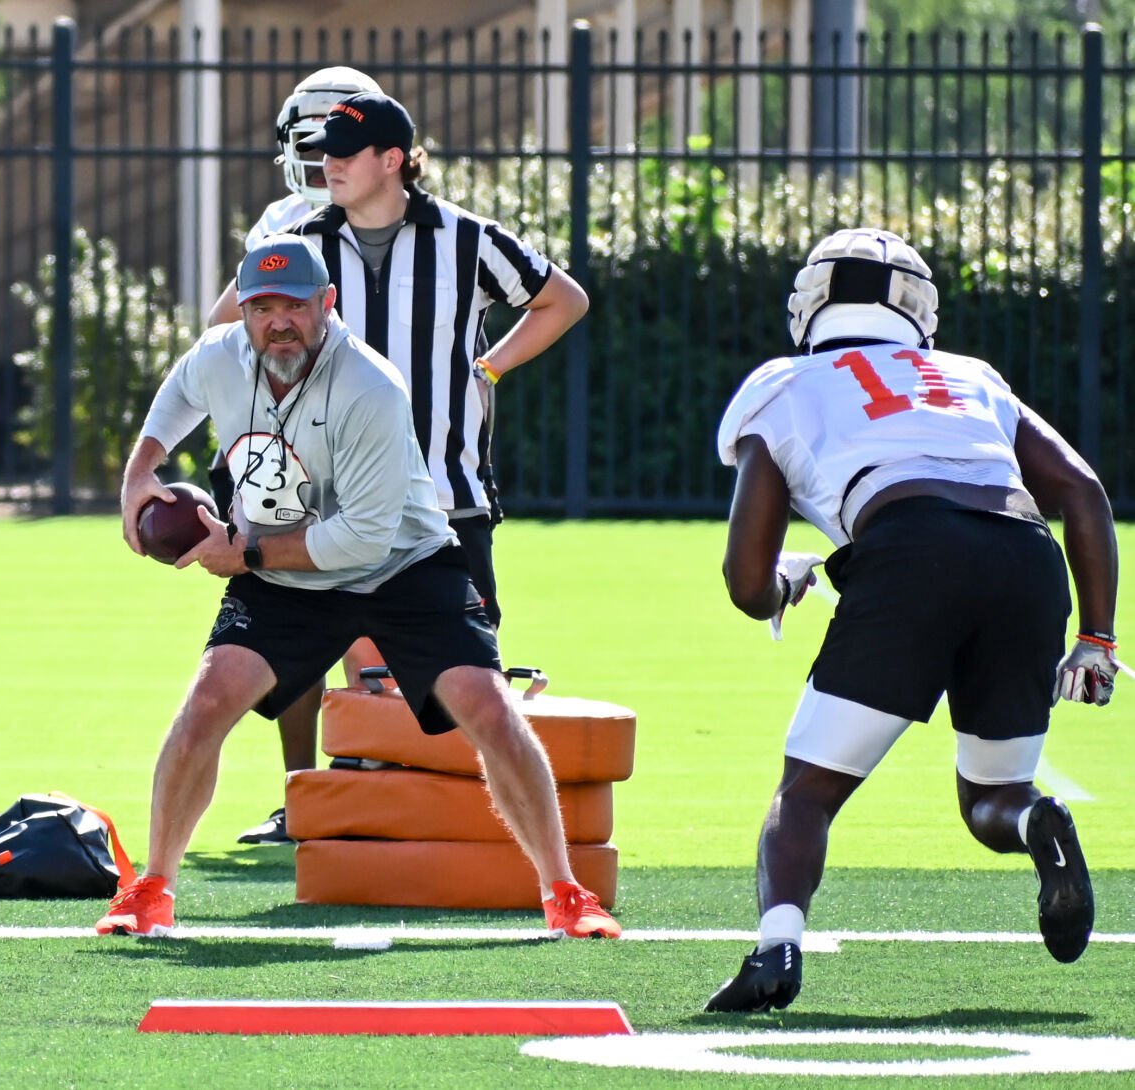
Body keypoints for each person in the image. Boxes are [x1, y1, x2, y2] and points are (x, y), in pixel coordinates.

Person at [99, 233, 620, 940]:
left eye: (294, 305)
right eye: (261, 307)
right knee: (207, 702)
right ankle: (151, 888)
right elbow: (179, 394)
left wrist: (243, 553)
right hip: (281, 570)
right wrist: (140, 471)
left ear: (327, 304)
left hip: (400, 564)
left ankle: (565, 892)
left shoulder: (369, 384)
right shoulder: (224, 354)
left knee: (490, 710)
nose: (277, 321)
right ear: (243, 311)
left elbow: (361, 540)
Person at [706, 228, 1118, 1012]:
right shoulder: (971, 376)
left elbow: (743, 579)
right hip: (1025, 556)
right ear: (918, 307)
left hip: (908, 550)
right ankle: (1038, 821)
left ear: (812, 301)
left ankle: (775, 950)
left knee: (806, 796)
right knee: (993, 798)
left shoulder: (783, 384)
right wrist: (1096, 637)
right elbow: (1083, 491)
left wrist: (782, 590)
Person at [199, 65, 384, 846]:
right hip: (289, 449)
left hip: (369, 441)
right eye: (311, 146)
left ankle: (381, 788)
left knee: (380, 623)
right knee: (295, 619)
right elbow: (222, 327)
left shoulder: (394, 221)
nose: (320, 160)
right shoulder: (285, 221)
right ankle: (308, 793)